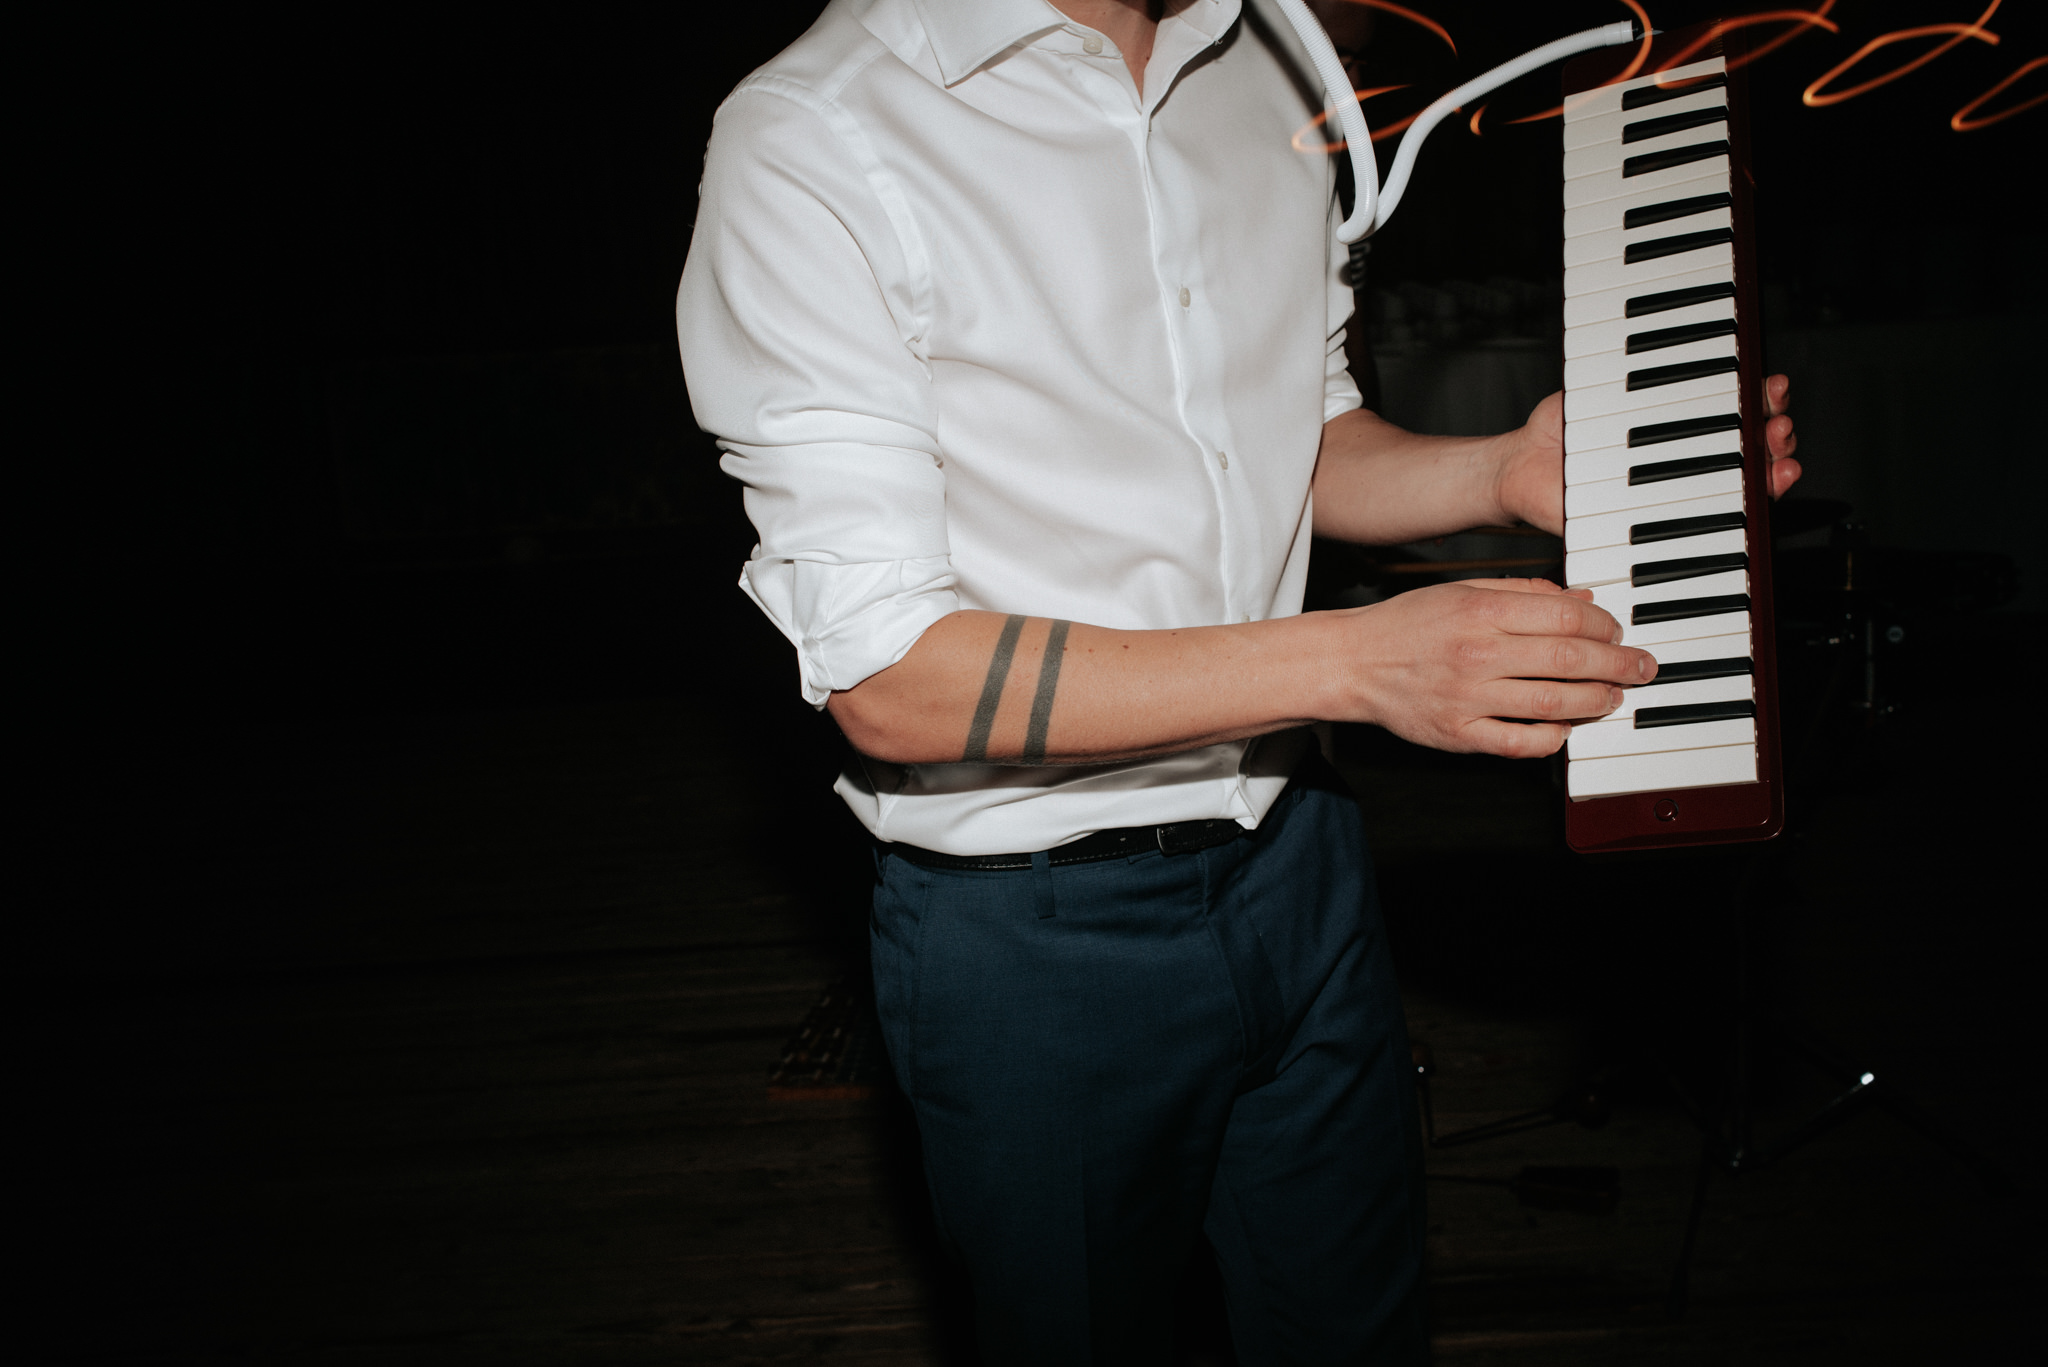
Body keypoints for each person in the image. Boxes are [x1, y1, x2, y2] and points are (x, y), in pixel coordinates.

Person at [676, 1, 1801, 1360]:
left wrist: (1498, 472)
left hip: (1301, 864)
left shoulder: (1270, 55)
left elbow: (1300, 432)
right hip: (1032, 946)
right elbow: (891, 680)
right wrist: (1359, 661)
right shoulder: (813, 133)